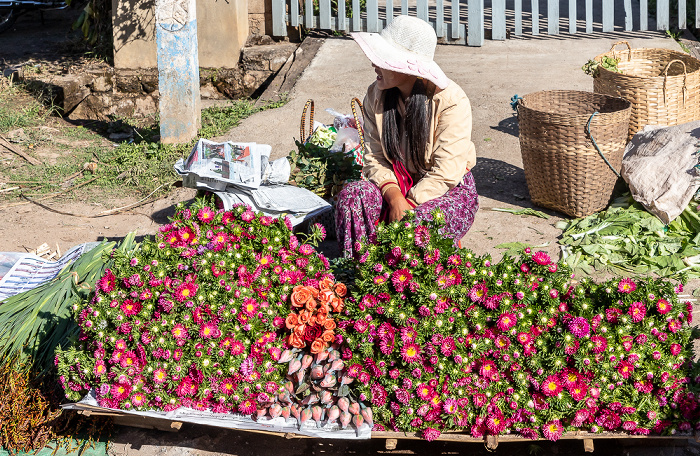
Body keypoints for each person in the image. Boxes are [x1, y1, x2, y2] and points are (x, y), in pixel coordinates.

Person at [334, 15, 479, 258]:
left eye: (382, 60)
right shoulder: (376, 95)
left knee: (417, 226)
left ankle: (404, 285)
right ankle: (359, 272)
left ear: (406, 67)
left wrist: (407, 205)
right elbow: (374, 158)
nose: (374, 65)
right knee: (352, 196)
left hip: (443, 190)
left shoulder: (451, 101)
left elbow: (446, 173)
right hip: (397, 184)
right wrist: (393, 197)